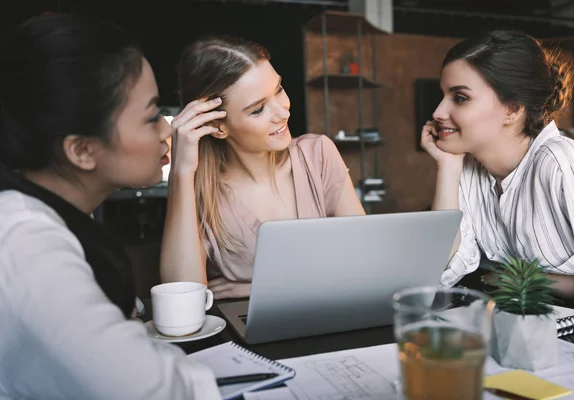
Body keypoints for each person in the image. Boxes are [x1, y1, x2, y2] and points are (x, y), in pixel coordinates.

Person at [0, 13, 221, 399]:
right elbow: (149, 387)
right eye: (152, 116)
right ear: (82, 150)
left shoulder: (55, 218)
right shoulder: (26, 244)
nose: (168, 129)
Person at [160, 35, 365, 300]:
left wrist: (256, 287)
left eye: (279, 89)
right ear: (218, 127)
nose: (283, 113)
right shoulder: (201, 192)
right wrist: (181, 172)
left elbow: (362, 264)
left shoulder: (318, 155)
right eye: (258, 110)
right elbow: (182, 298)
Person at [421, 30, 574, 310]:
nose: (438, 111)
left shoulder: (562, 166)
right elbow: (439, 272)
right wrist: (447, 165)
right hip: (518, 325)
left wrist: (541, 280)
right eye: (442, 95)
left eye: (460, 98)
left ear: (513, 109)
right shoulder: (467, 166)